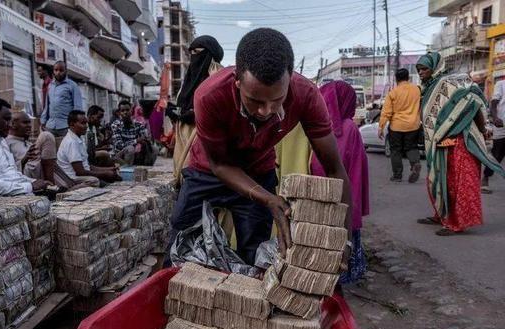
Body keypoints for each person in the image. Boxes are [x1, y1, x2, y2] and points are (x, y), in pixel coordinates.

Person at [168, 28, 352, 265]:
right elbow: (220, 164)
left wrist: (344, 240)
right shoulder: (209, 95)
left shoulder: (306, 94)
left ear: (289, 80)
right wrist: (268, 199)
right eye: (255, 101)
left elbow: (335, 170)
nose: (266, 111)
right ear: (237, 82)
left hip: (258, 170)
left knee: (254, 256)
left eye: (277, 100)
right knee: (180, 244)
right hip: (207, 170)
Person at [416, 52, 505, 236]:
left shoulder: (448, 83)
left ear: (435, 67)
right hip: (440, 143)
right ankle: (441, 215)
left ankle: (456, 223)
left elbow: (471, 103)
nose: (421, 72)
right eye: (419, 69)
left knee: (458, 183)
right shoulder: (428, 87)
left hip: (461, 143)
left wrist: (481, 130)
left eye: (424, 68)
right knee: (438, 178)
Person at [311, 81, 369, 284]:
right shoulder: (350, 127)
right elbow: (357, 169)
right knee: (343, 241)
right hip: (343, 196)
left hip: (317, 197)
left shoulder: (313, 126)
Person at [167, 36, 224, 184]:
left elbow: (219, 108)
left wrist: (196, 114)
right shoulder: (189, 79)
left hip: (204, 137)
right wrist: (176, 112)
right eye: (191, 52)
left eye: (197, 51)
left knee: (199, 175)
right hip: (185, 134)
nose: (194, 56)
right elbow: (183, 104)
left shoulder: (218, 77)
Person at [0, 97, 51, 196]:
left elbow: (12, 174)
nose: (10, 125)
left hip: (13, 195)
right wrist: (31, 186)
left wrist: (33, 182)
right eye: (6, 119)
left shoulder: (0, 140)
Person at [378, 68, 422, 183]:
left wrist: (381, 127)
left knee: (395, 150)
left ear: (396, 79)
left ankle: (397, 175)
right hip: (413, 125)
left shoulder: (393, 93)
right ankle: (415, 163)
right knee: (412, 147)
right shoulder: (417, 90)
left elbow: (386, 112)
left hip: (396, 126)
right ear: (408, 78)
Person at [56, 110, 119, 188]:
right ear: (72, 125)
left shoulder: (79, 138)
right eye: (83, 123)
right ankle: (72, 189)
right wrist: (104, 173)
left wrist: (108, 169)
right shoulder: (71, 142)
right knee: (95, 181)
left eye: (86, 123)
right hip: (73, 178)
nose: (86, 126)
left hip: (82, 174)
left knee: (112, 181)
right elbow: (80, 172)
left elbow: (88, 166)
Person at [41, 61, 83, 137]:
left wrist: (75, 125)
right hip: (50, 126)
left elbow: (78, 107)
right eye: (56, 70)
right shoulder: (50, 86)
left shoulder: (72, 85)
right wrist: (43, 121)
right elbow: (47, 106)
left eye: (61, 70)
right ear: (53, 71)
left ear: (65, 71)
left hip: (66, 126)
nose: (58, 72)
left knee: (67, 148)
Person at [110, 100, 153, 165]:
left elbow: (145, 138)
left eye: (127, 110)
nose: (125, 112)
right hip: (119, 155)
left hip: (134, 152)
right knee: (130, 149)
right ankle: (127, 170)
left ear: (131, 111)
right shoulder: (115, 125)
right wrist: (136, 141)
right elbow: (120, 145)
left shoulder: (138, 124)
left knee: (154, 149)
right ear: (119, 113)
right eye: (122, 111)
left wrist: (145, 140)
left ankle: (145, 168)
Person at [482, 78, 505, 193]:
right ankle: (485, 178)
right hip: (502, 126)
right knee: (497, 154)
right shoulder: (501, 84)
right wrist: (495, 118)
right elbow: (493, 103)